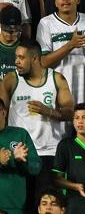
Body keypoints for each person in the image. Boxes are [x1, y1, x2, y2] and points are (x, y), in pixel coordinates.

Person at [0, 39, 74, 197]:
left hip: (48, 152)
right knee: (21, 203)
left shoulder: (56, 79)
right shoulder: (11, 80)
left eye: (21, 58)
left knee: (45, 202)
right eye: (16, 57)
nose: (16, 61)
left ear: (34, 59)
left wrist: (49, 111)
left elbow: (70, 112)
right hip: (19, 152)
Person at [0, 94, 39, 214]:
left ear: (3, 113)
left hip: (14, 206)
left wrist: (20, 161)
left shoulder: (19, 134)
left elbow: (36, 167)